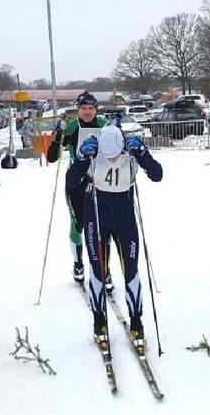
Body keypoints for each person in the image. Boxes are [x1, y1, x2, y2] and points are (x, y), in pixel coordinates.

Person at [69, 124, 163, 344]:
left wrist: (143, 153)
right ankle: (99, 321)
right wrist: (81, 158)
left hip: (124, 217)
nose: (111, 159)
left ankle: (136, 322)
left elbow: (157, 175)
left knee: (131, 269)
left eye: (115, 155)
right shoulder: (93, 155)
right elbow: (71, 182)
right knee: (97, 270)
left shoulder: (130, 154)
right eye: (107, 155)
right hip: (97, 214)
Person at [46, 92, 108, 284]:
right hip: (76, 182)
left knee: (103, 227)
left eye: (91, 108)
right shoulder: (72, 126)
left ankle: (104, 269)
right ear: (78, 110)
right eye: (83, 109)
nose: (88, 112)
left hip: (101, 181)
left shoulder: (104, 125)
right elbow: (51, 157)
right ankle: (78, 262)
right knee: (77, 225)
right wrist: (57, 136)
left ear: (96, 109)